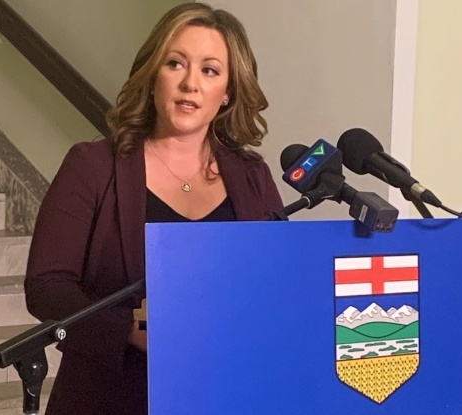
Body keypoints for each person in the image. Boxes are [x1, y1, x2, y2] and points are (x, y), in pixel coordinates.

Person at [24, 3, 283, 414]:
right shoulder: (92, 166)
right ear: (152, 76)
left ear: (228, 91)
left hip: (225, 392)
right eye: (175, 63)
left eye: (210, 70)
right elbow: (46, 287)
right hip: (111, 395)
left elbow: (276, 286)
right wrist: (128, 330)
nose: (190, 84)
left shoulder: (253, 177)